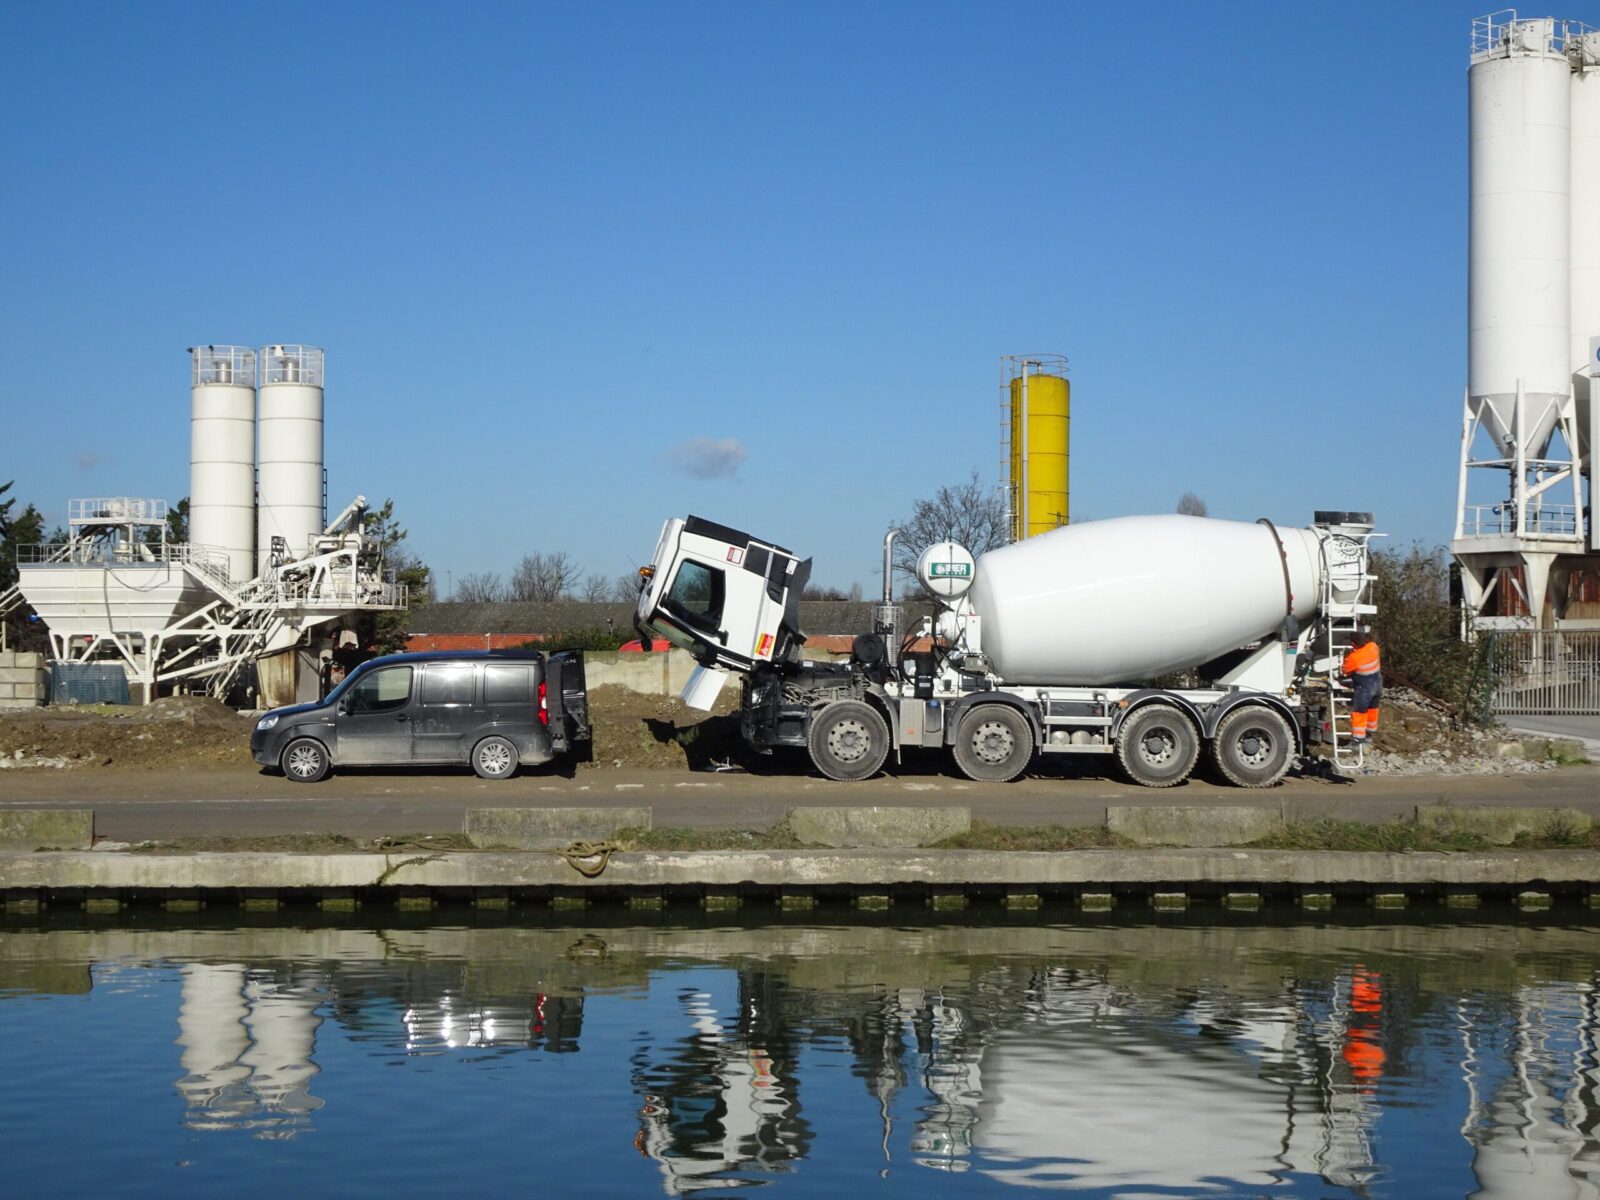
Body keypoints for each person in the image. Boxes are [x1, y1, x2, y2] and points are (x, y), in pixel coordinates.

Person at [1341, 630, 1382, 744]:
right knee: (1372, 709)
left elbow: (1345, 670)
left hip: (1365, 688)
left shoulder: (1354, 657)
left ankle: (1358, 739)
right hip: (1378, 685)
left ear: (1353, 644)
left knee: (1359, 712)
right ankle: (1370, 733)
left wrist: (1348, 656)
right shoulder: (1373, 647)